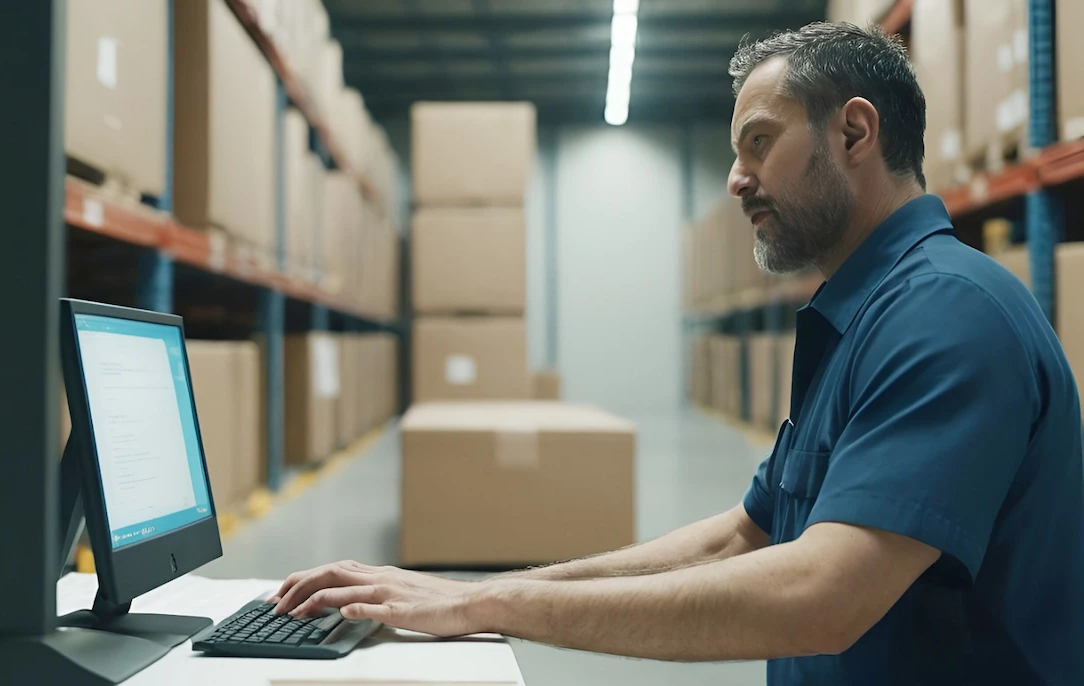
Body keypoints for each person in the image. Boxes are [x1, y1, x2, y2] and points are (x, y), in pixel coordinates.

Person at [267, 22, 1084, 684]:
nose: (736, 178)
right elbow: (747, 537)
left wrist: (494, 610)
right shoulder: (865, 313)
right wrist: (480, 591)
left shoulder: (945, 313)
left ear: (855, 132)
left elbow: (822, 595)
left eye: (759, 142)